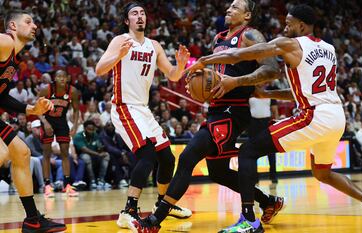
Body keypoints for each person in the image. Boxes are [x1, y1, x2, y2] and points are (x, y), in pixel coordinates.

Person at [185, 4, 362, 232]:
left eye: (289, 23)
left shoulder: (289, 43)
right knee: (322, 173)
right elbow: (305, 91)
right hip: (335, 115)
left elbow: (240, 54)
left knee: (248, 151)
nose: (284, 27)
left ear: (302, 26)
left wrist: (204, 60)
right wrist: (267, 94)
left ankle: (249, 221)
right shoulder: (329, 49)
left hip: (313, 116)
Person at [134, 1, 285, 232]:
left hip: (234, 110)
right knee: (219, 173)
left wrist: (236, 82)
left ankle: (155, 220)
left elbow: (272, 69)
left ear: (247, 16)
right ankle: (268, 201)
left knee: (187, 157)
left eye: (235, 7)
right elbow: (214, 76)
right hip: (217, 109)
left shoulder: (252, 35)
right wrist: (197, 83)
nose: (228, 9)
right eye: (229, 6)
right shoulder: (218, 39)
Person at [95, 2, 192, 230]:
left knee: (167, 158)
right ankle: (127, 211)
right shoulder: (120, 41)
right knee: (147, 155)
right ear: (127, 20)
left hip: (143, 109)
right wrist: (118, 55)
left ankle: (162, 204)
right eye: (134, 13)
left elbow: (173, 76)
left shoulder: (154, 46)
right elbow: (100, 69)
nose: (139, 17)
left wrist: (179, 64)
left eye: (142, 13)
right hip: (124, 106)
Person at [0, 9, 66, 232]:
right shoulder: (5, 42)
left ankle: (32, 220)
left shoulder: (13, 59)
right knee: (3, 153)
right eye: (28, 22)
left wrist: (31, 108)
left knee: (21, 152)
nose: (34, 25)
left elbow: (2, 98)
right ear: (13, 27)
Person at [38, 69, 80, 197]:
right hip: (47, 121)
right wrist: (45, 123)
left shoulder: (72, 91)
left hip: (61, 122)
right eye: (59, 76)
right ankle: (47, 186)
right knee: (46, 153)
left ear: (67, 78)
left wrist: (75, 126)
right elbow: (37, 109)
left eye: (64, 76)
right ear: (55, 78)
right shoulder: (46, 90)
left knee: (65, 153)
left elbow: (77, 110)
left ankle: (67, 185)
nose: (62, 78)